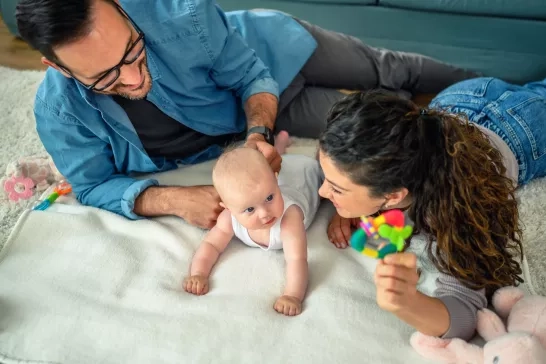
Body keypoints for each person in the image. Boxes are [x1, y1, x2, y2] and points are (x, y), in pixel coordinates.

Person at [15, 0, 478, 229]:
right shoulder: (59, 112)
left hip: (273, 53)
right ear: (56, 67)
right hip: (283, 114)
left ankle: (502, 89)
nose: (133, 80)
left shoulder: (182, 14)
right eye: (106, 77)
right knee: (384, 119)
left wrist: (258, 131)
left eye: (133, 52)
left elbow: (249, 74)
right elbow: (93, 184)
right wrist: (174, 199)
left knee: (387, 70)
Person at [317, 77, 546, 340]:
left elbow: (465, 313)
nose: (322, 192)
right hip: (462, 96)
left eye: (336, 188)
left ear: (393, 196)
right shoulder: (384, 156)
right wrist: (347, 204)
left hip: (525, 130)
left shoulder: (456, 208)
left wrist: (407, 303)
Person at [183, 141, 322, 316]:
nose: (265, 213)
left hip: (304, 175)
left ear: (275, 179)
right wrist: (199, 274)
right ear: (228, 208)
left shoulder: (289, 219)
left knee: (318, 167)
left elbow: (297, 260)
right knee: (276, 161)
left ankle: (284, 144)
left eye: (270, 197)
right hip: (281, 176)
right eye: (250, 209)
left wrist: (292, 296)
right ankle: (282, 141)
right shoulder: (229, 218)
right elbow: (211, 245)